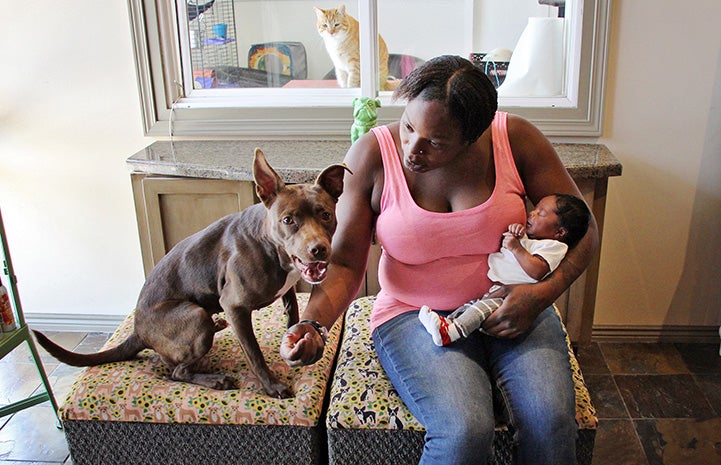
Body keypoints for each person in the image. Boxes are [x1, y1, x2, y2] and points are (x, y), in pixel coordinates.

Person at [279, 55, 599, 465]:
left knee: (551, 422)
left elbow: (583, 227)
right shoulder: (372, 155)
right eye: (409, 127)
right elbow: (344, 263)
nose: (413, 149)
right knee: (465, 431)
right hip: (415, 315)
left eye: (436, 142)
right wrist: (313, 323)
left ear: (473, 135)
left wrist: (540, 296)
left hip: (515, 303)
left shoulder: (514, 139)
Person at [419, 193, 591, 346]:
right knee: (472, 307)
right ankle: (447, 323)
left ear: (560, 232)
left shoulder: (554, 246)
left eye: (541, 213)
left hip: (511, 297)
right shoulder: (531, 239)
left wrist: (517, 248)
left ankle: (452, 332)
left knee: (479, 310)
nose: (532, 213)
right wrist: (517, 233)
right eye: (535, 209)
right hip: (496, 289)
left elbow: (537, 270)